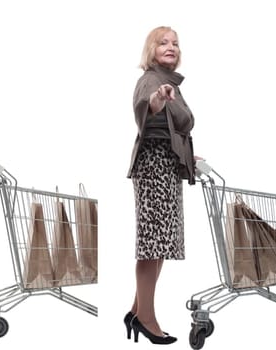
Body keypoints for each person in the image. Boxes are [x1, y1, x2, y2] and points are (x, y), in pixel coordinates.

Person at [123, 25, 199, 346]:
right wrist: (158, 99)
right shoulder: (151, 82)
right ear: (151, 50)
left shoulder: (170, 82)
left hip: (166, 166)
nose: (171, 47)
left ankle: (136, 310)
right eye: (163, 43)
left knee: (160, 245)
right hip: (154, 167)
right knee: (152, 247)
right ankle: (146, 318)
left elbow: (176, 127)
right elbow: (147, 105)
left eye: (175, 43)